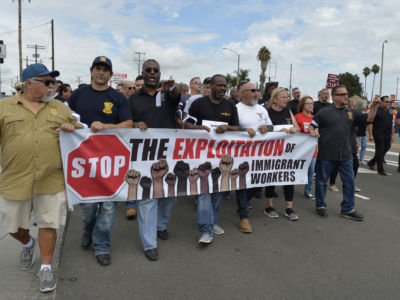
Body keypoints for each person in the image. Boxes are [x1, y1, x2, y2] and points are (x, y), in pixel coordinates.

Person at [0, 63, 81, 293]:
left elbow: (81, 131)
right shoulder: (4, 107)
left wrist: (72, 127)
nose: (52, 86)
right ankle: (27, 243)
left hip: (51, 179)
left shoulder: (60, 107)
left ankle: (45, 267)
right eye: (46, 82)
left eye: (53, 82)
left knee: (49, 223)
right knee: (14, 226)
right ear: (29, 83)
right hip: (15, 179)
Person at [69, 56, 133, 266]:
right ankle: (88, 229)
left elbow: (128, 124)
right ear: (91, 71)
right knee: (88, 207)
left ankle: (101, 246)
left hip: (110, 161)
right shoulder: (78, 95)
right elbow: (68, 120)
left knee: (107, 206)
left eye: (105, 70)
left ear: (111, 74)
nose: (101, 72)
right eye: (98, 68)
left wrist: (107, 127)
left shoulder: (117, 97)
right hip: (83, 160)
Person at [129, 59, 181, 261]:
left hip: (169, 154)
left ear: (160, 74)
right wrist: (134, 123)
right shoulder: (133, 99)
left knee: (171, 194)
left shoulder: (168, 96)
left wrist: (173, 89)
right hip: (142, 156)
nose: (152, 73)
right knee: (148, 199)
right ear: (142, 72)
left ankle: (160, 225)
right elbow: (124, 123)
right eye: (148, 70)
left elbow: (177, 95)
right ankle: (149, 243)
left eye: (156, 70)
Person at [308, 85, 380, 220]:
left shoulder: (351, 112)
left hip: (346, 154)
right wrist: (313, 131)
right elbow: (312, 126)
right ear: (334, 97)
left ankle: (347, 209)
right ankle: (320, 206)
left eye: (346, 94)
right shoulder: (324, 112)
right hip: (327, 154)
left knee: (350, 182)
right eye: (342, 94)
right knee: (322, 181)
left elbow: (369, 119)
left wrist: (374, 106)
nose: (346, 96)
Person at [184, 74, 240, 244]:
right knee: (204, 193)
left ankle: (212, 222)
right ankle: (205, 230)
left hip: (222, 158)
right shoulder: (199, 103)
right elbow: (187, 124)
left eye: (224, 86)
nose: (222, 88)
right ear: (211, 86)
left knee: (218, 193)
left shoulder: (230, 106)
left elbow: (237, 128)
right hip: (201, 157)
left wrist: (228, 127)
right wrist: (199, 128)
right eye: (219, 85)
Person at [235, 82, 273, 232]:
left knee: (257, 182)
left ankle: (243, 205)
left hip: (261, 153)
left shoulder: (262, 109)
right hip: (241, 154)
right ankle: (244, 216)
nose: (256, 93)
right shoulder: (236, 109)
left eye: (257, 90)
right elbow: (231, 128)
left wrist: (267, 128)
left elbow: (271, 126)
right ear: (242, 93)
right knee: (242, 183)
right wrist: (244, 130)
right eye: (252, 90)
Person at [264, 88, 300, 221]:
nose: (287, 99)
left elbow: (297, 128)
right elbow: (263, 129)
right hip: (271, 151)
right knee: (271, 177)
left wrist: (292, 129)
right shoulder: (267, 112)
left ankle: (288, 208)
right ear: (274, 99)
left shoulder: (288, 111)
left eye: (287, 97)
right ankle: (269, 206)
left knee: (288, 178)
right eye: (283, 97)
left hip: (286, 151)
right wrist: (277, 131)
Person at [295, 96, 317, 199]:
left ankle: (307, 191)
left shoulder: (315, 118)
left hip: (312, 149)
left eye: (312, 103)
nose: (310, 105)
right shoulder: (297, 117)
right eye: (308, 103)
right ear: (303, 105)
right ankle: (287, 184)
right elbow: (295, 132)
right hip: (300, 149)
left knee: (311, 171)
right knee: (295, 169)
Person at [367, 96, 395, 175]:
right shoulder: (377, 110)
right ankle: (380, 169)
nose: (388, 103)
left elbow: (391, 124)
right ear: (381, 102)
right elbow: (370, 123)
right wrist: (371, 135)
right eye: (386, 102)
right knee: (379, 151)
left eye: (389, 102)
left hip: (387, 134)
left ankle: (371, 162)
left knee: (386, 148)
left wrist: (392, 134)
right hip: (378, 134)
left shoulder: (390, 111)